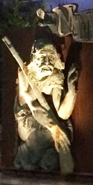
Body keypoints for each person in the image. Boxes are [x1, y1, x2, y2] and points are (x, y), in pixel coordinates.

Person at [14, 39, 78, 173]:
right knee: (47, 135)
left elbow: (62, 113)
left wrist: (72, 91)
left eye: (51, 58)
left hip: (49, 119)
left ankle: (40, 157)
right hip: (28, 121)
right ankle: (23, 153)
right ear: (35, 58)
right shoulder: (25, 73)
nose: (47, 62)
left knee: (51, 160)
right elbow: (28, 104)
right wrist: (52, 127)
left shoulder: (55, 77)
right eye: (43, 58)